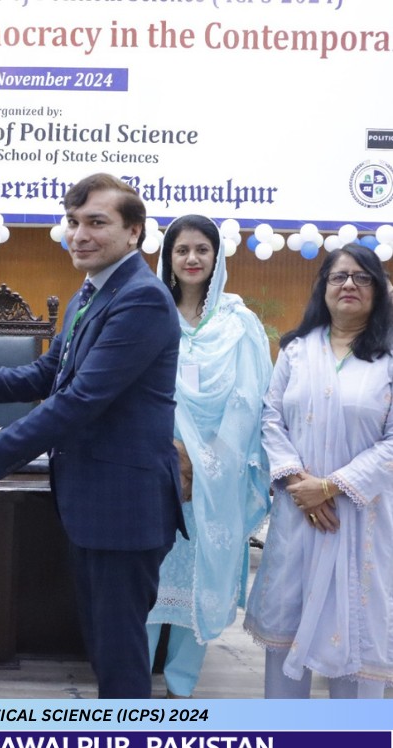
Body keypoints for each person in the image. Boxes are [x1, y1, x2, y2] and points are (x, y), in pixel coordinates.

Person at [0, 173, 185, 699]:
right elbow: (52, 373)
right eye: (72, 222)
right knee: (102, 644)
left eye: (96, 222)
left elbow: (81, 400)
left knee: (119, 655)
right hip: (92, 501)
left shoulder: (141, 299)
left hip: (124, 506)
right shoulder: (92, 292)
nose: (79, 235)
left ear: (134, 231)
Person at [244, 243, 393, 698]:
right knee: (287, 637)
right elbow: (270, 418)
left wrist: (329, 487)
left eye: (362, 277)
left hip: (361, 519)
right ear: (323, 287)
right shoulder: (296, 350)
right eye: (339, 276)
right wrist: (298, 484)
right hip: (298, 515)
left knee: (357, 643)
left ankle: (353, 744)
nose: (349, 284)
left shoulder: (388, 357)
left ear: (378, 290)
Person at [147, 215, 273, 698]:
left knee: (200, 575)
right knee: (149, 576)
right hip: (153, 466)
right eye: (182, 250)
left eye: (202, 249)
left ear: (217, 258)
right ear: (168, 258)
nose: (192, 258)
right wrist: (170, 454)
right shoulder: (149, 314)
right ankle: (133, 682)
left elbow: (247, 400)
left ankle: (181, 686)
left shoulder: (238, 324)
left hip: (217, 475)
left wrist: (209, 462)